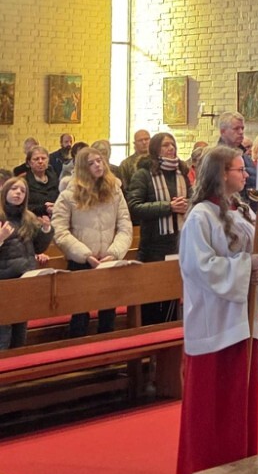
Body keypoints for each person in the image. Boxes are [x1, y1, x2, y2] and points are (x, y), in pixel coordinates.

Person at [176, 146, 258, 474]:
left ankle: (239, 464)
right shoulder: (200, 217)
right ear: (220, 174)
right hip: (215, 320)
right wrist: (247, 267)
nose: (245, 174)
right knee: (213, 402)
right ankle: (206, 469)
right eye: (238, 169)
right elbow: (199, 266)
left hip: (242, 319)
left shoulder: (242, 213)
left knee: (238, 399)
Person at [51, 147, 132, 338]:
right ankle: (77, 351)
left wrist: (114, 252)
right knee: (80, 316)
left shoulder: (114, 191)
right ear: (82, 168)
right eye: (91, 163)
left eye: (99, 161)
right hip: (81, 262)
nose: (98, 165)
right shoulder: (68, 195)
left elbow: (125, 225)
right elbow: (59, 231)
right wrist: (85, 255)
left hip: (108, 260)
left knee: (108, 315)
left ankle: (108, 352)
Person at [126, 132, 190, 324]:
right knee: (152, 300)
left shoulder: (182, 173)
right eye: (166, 145)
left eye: (173, 145)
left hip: (178, 243)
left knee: (173, 297)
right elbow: (134, 207)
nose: (171, 148)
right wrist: (168, 207)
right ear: (155, 149)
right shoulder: (144, 174)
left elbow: (193, 199)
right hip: (154, 247)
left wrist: (188, 205)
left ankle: (171, 334)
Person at [0, 176, 52, 350]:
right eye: (14, 189)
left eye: (22, 191)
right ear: (5, 192)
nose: (18, 193)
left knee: (21, 327)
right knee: (3, 329)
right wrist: (1, 238)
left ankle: (17, 362)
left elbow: (38, 248)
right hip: (4, 282)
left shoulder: (28, 217)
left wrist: (46, 230)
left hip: (25, 279)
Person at [217, 112, 255, 200]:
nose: (241, 132)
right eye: (236, 128)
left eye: (242, 128)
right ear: (223, 131)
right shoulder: (216, 158)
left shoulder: (246, 157)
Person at [23, 145, 61, 219]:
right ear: (29, 163)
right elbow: (24, 207)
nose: (40, 161)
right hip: (34, 219)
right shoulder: (24, 181)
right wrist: (44, 208)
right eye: (36, 159)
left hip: (56, 217)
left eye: (43, 158)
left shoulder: (55, 177)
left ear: (48, 160)